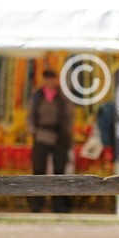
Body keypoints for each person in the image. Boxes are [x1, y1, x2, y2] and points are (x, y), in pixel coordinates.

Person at [27, 68, 74, 213]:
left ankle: (58, 203)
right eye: (46, 78)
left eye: (51, 78)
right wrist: (33, 131)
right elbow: (30, 115)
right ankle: (37, 203)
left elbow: (69, 116)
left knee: (59, 170)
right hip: (41, 134)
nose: (49, 81)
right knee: (39, 169)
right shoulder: (37, 95)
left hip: (59, 135)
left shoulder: (62, 95)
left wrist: (67, 136)